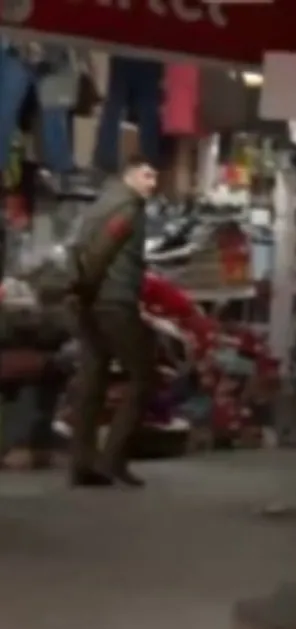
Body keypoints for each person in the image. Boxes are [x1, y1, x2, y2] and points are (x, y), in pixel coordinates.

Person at [66, 155, 158, 488]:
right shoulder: (126, 207)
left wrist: (80, 293)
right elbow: (101, 250)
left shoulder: (98, 204)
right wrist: (85, 287)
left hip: (91, 303)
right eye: (147, 176)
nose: (153, 183)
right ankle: (112, 460)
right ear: (128, 176)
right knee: (143, 377)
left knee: (93, 380)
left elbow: (77, 247)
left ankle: (82, 464)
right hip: (113, 302)